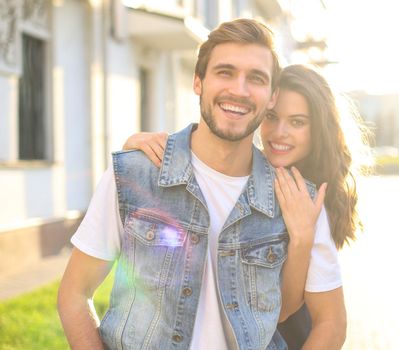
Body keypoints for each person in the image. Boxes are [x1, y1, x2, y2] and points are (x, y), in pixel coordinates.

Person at [57, 19, 346, 350]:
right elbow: (74, 294)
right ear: (198, 82)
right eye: (225, 72)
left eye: (256, 78)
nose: (239, 89)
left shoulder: (299, 203)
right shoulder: (134, 174)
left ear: (271, 96)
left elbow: (325, 321)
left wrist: (302, 239)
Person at [124, 64, 365, 349]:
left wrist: (302, 237)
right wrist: (136, 147)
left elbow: (310, 318)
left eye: (297, 122)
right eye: (272, 117)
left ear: (318, 129)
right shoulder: (251, 173)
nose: (280, 133)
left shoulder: (313, 198)